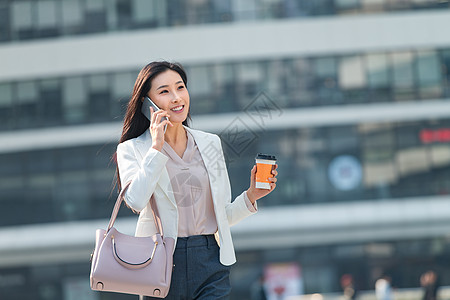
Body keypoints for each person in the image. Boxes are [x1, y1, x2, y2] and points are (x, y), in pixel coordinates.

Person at [115, 61, 278, 299]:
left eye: (180, 87)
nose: (176, 98)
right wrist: (156, 148)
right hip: (160, 262)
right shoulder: (132, 149)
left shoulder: (209, 143)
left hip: (209, 259)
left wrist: (252, 195)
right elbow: (136, 201)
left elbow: (223, 216)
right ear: (146, 104)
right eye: (164, 91)